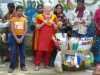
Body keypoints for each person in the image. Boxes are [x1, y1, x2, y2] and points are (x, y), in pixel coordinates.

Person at [34, 2, 58, 71]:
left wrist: (53, 23)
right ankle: (37, 65)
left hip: (50, 36)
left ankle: (46, 64)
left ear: (51, 9)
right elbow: (37, 27)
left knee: (49, 51)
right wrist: (43, 23)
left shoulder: (54, 17)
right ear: (43, 9)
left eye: (49, 8)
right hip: (42, 37)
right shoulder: (39, 17)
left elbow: (56, 28)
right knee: (39, 51)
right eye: (46, 8)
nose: (47, 10)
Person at [8, 5, 27, 73]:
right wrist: (16, 38)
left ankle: (23, 66)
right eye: (18, 11)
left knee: (23, 53)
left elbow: (25, 30)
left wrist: (21, 38)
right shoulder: (12, 19)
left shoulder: (24, 19)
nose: (20, 12)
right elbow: (12, 30)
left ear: (22, 12)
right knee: (13, 52)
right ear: (16, 11)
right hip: (14, 37)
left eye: (21, 11)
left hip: (22, 37)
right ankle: (12, 66)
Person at [93, 5, 100, 75]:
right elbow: (94, 20)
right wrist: (98, 27)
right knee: (98, 48)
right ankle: (98, 65)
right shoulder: (97, 11)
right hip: (98, 33)